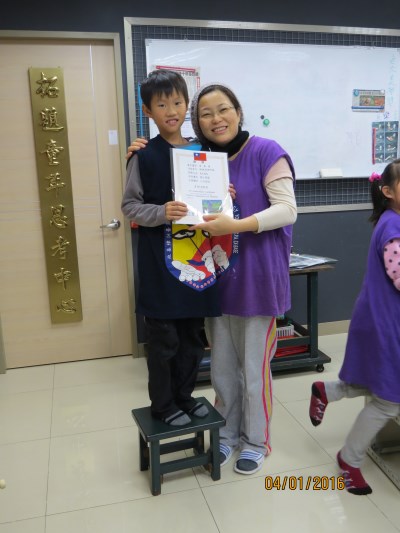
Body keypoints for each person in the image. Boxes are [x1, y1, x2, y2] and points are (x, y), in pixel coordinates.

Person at [127, 82, 297, 474]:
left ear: (238, 111)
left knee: (253, 372)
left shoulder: (266, 151)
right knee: (221, 371)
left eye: (223, 109)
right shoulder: (200, 158)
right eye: (206, 114)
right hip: (214, 282)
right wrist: (140, 152)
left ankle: (256, 441)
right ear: (197, 122)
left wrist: (236, 224)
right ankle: (228, 434)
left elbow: (287, 210)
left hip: (257, 282)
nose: (216, 119)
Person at [121, 70, 222, 426]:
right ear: (148, 111)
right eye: (161, 105)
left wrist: (224, 196)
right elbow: (130, 207)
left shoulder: (205, 152)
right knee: (164, 341)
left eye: (177, 102)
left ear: (186, 104)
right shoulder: (143, 156)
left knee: (193, 338)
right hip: (160, 266)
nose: (171, 111)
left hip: (198, 263)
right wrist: (161, 212)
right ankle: (163, 406)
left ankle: (184, 397)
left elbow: (217, 208)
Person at [309, 162, 400, 495]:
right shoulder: (392, 228)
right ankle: (350, 458)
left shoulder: (391, 220)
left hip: (379, 318)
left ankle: (327, 391)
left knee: (375, 380)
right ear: (388, 191)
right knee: (389, 400)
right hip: (383, 322)